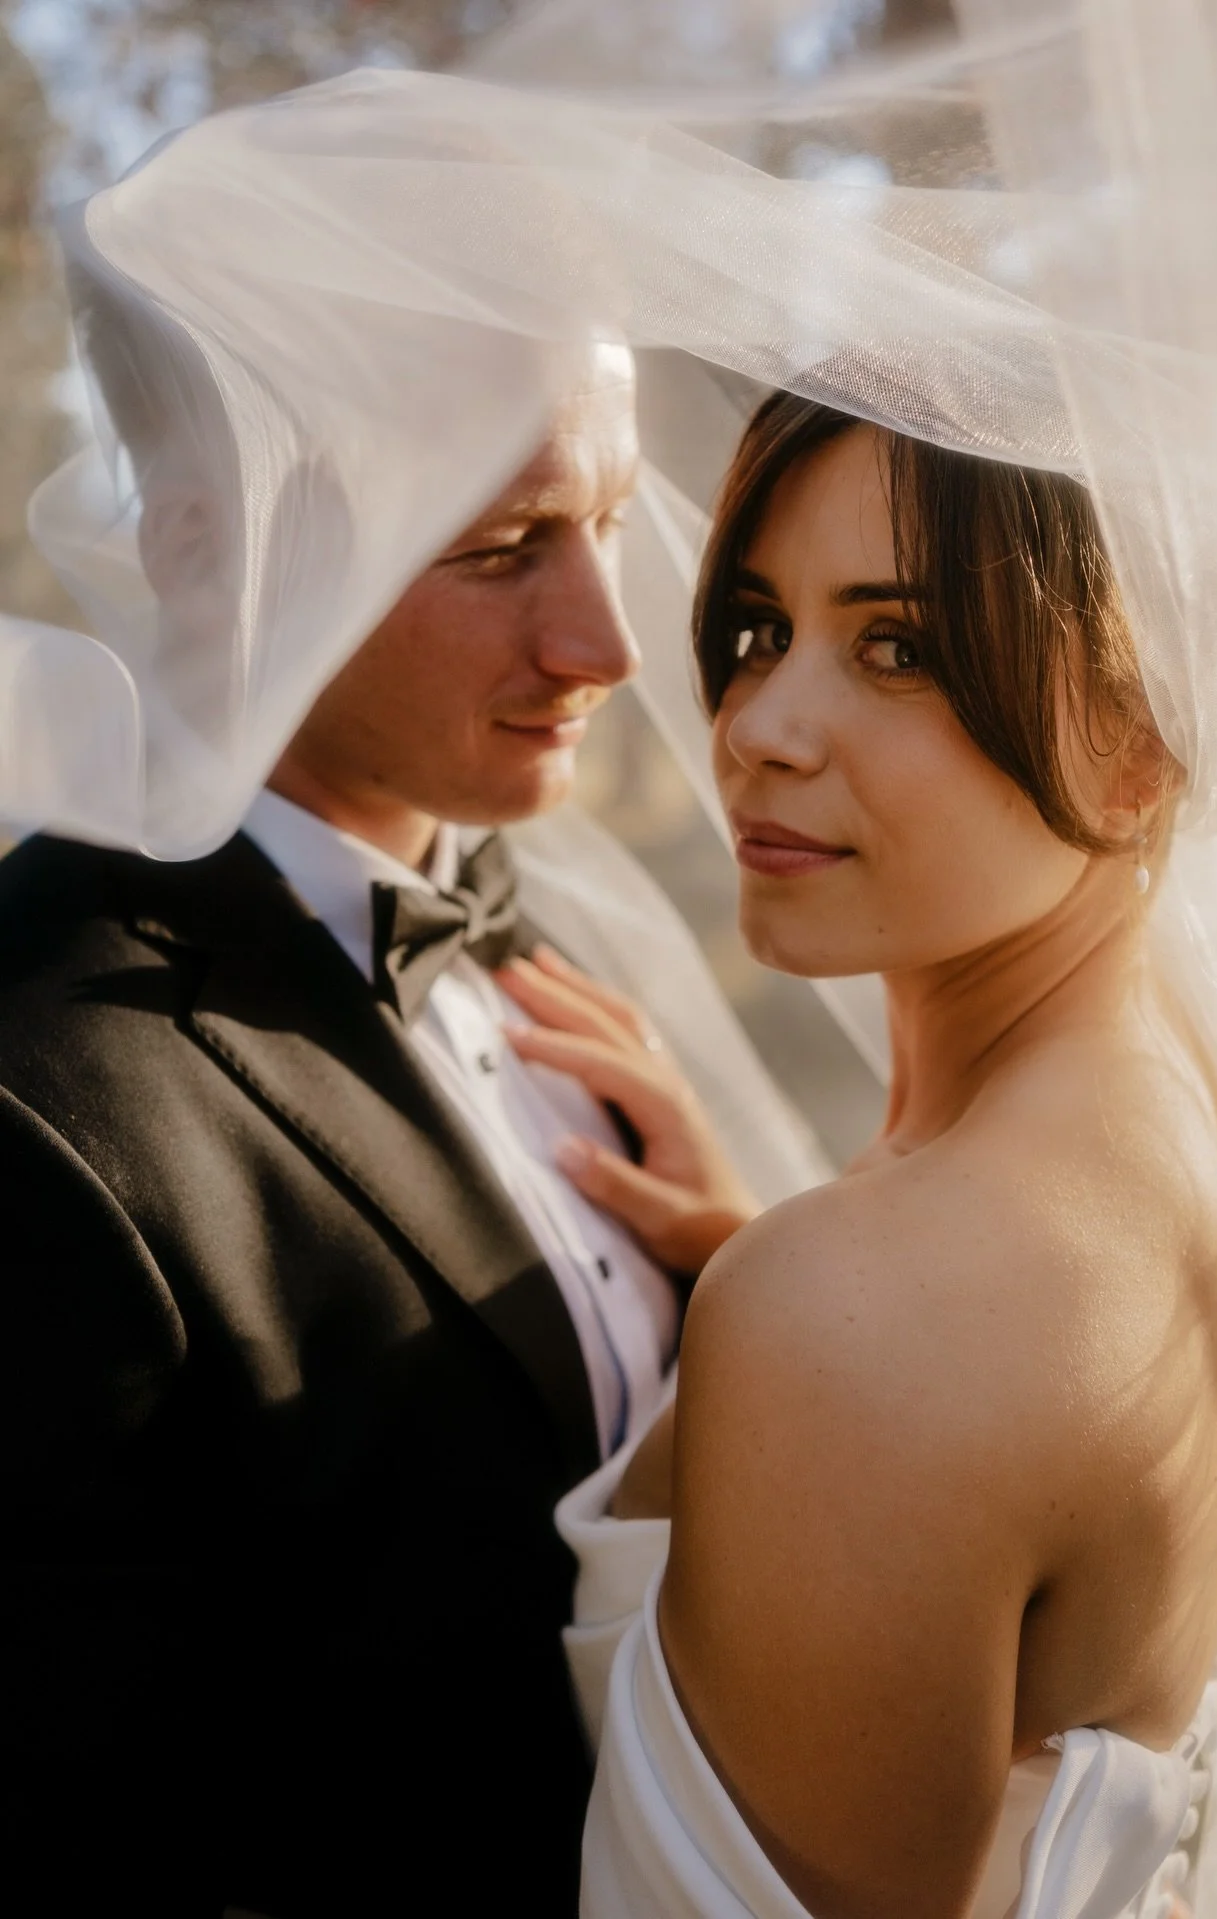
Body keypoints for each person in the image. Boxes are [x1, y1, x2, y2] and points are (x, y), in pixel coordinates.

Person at [0, 342, 771, 1918]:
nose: (608, 642)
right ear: (205, 546)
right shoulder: (39, 1094)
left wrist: (756, 1286)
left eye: (609, 521)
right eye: (502, 546)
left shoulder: (557, 935)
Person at [525, 395, 1217, 1917]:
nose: (757, 728)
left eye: (899, 648)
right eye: (759, 629)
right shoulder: (1183, 1117)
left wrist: (822, 1291)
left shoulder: (872, 1313)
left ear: (1141, 742)